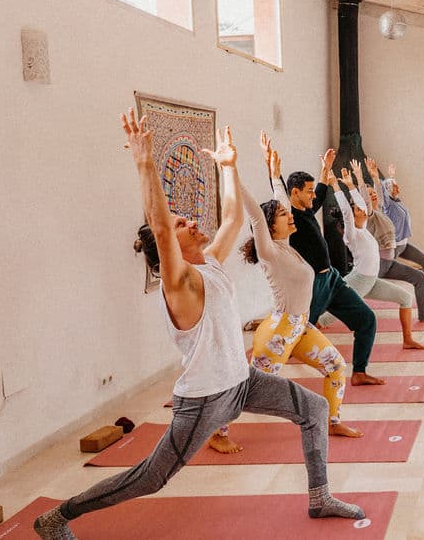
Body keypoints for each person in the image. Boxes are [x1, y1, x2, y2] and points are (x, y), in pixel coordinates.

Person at [33, 111, 363, 540]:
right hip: (204, 399)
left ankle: (319, 498)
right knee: (151, 478)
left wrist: (228, 167)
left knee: (314, 409)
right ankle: (58, 517)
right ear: (170, 245)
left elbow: (229, 218)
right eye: (182, 225)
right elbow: (160, 226)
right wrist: (144, 162)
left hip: (242, 382)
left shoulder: (208, 263)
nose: (191, 222)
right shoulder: (181, 283)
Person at [235, 139, 365, 442]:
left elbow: (280, 199)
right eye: (283, 215)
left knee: (336, 366)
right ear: (269, 227)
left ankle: (333, 422)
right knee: (247, 390)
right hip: (278, 333)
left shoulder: (287, 244)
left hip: (299, 326)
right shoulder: (269, 252)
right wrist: (231, 171)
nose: (290, 215)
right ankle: (218, 428)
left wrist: (274, 171)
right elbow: (256, 214)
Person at [283, 145, 384, 388]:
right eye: (307, 192)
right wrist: (271, 171)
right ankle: (265, 372)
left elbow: (319, 190)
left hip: (333, 279)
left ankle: (359, 371)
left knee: (366, 319)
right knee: (298, 332)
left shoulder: (307, 210)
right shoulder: (289, 216)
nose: (312, 196)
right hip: (314, 283)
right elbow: (278, 195)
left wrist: (325, 168)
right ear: (294, 193)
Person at [329, 161, 424, 350]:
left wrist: (352, 184)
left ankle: (407, 340)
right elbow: (346, 211)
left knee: (405, 298)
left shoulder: (364, 228)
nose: (363, 210)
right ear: (351, 216)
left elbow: (360, 204)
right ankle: (298, 338)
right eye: (358, 209)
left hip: (371, 280)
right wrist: (335, 185)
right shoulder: (352, 234)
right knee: (325, 317)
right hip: (359, 280)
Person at [373, 160, 424, 307]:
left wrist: (392, 176)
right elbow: (381, 191)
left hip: (404, 244)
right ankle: (355, 288)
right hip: (393, 247)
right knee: (376, 274)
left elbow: (389, 186)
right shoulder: (387, 204)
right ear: (388, 190)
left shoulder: (397, 201)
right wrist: (375, 177)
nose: (398, 187)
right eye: (394, 187)